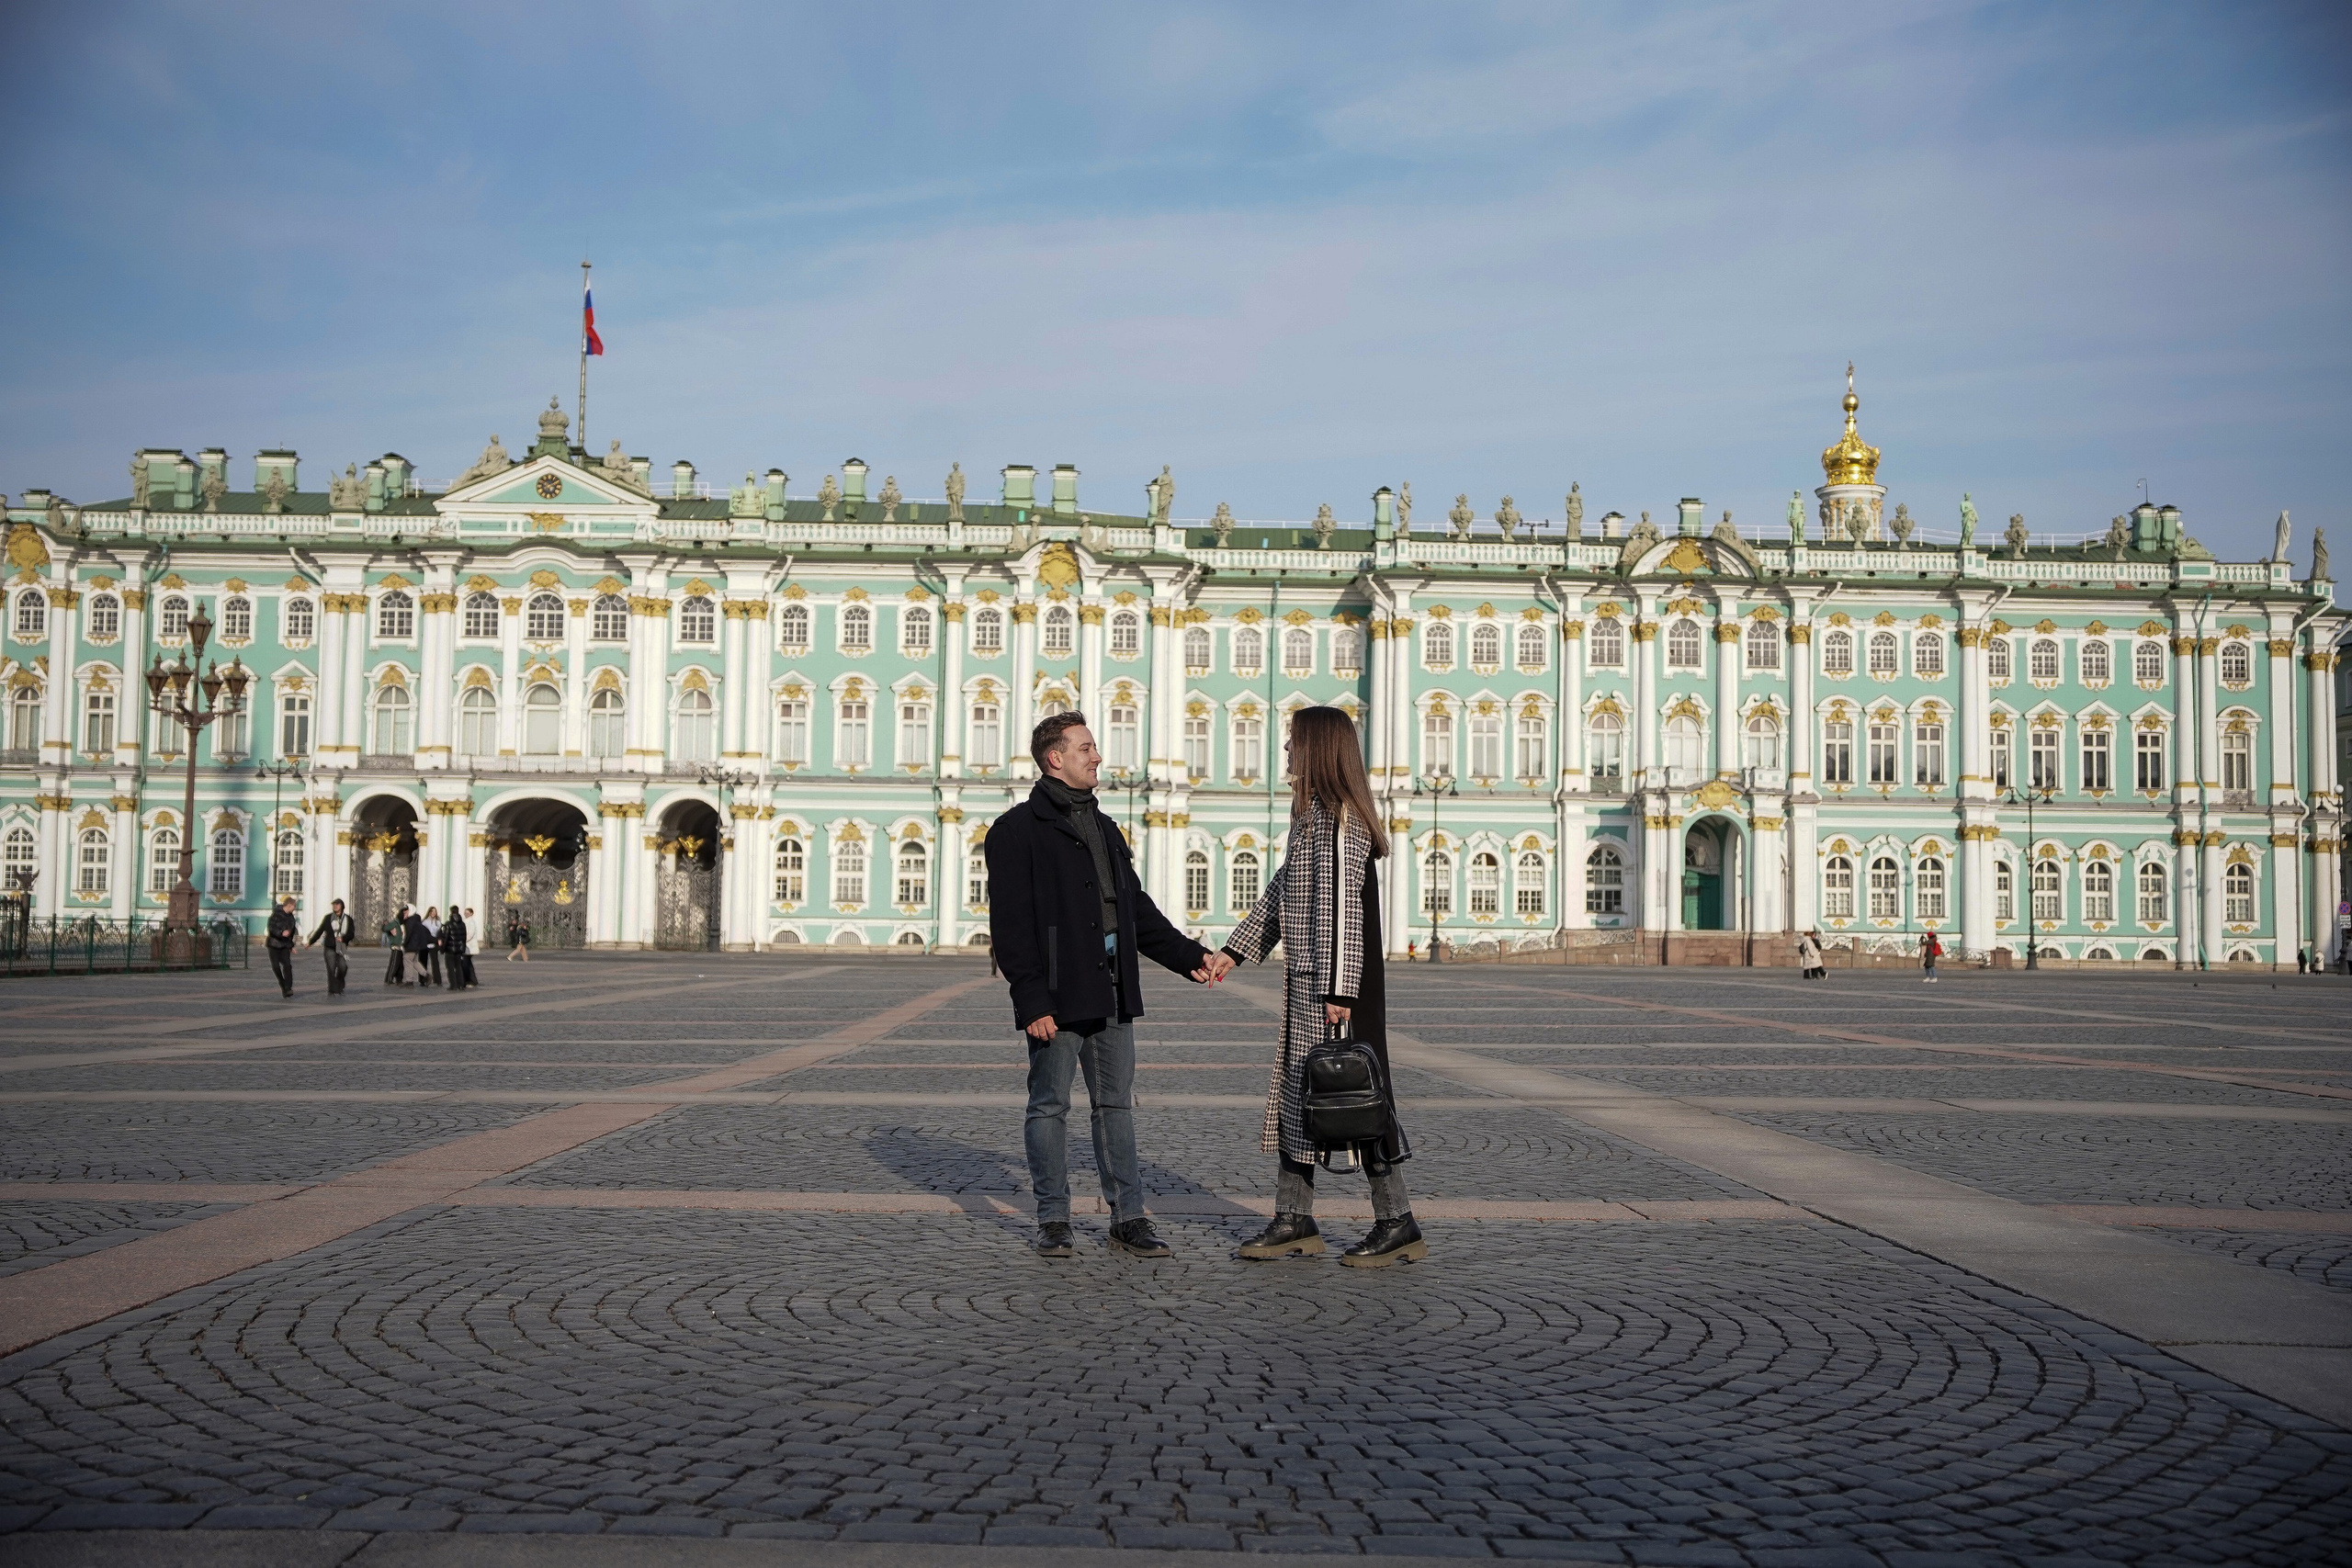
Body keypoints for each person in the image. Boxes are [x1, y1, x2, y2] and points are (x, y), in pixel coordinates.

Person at [987, 711, 1221, 1260]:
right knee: (1049, 1106)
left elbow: (1133, 908)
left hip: (1113, 983)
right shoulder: (1016, 830)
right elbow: (1012, 928)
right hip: (1058, 990)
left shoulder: (1107, 827)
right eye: (1086, 748)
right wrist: (1032, 1000)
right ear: (1055, 758)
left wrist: (1189, 956)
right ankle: (1053, 1219)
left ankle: (1129, 1217)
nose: (1097, 756)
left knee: (1114, 1105)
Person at [1213, 705, 1423, 1269]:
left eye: (1292, 744)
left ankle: (1396, 1220)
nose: (1285, 753)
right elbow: (1282, 895)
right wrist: (1233, 950)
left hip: (1334, 992)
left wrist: (1339, 992)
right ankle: (1294, 1216)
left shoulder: (1343, 824)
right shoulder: (1310, 820)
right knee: (1300, 1098)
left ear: (1318, 752)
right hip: (1308, 984)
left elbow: (1344, 912)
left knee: (1356, 1098)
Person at [307, 897, 357, 998]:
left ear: (342, 906)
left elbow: (351, 934)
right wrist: (310, 942)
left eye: (337, 904)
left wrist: (344, 938)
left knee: (343, 967)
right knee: (331, 969)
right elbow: (320, 930)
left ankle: (339, 985)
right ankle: (332, 990)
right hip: (329, 947)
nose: (335, 906)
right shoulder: (328, 918)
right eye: (334, 904)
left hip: (341, 948)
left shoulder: (348, 919)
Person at [264, 897, 300, 998]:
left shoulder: (291, 917)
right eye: (294, 907)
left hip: (284, 945)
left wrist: (291, 946)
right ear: (289, 905)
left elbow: (291, 932)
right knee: (276, 967)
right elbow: (271, 928)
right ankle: (283, 984)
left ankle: (288, 987)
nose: (294, 909)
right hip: (273, 944)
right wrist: (281, 933)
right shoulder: (275, 914)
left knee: (287, 966)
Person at [442, 906, 473, 990]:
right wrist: (462, 948)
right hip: (459, 949)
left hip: (450, 950)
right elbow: (464, 937)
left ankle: (453, 984)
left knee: (450, 968)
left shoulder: (448, 924)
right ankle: (460, 984)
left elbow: (445, 938)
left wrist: (442, 949)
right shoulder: (462, 924)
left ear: (451, 912)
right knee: (459, 967)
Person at [401, 905, 432, 987]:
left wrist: (405, 943)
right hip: (416, 945)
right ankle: (426, 975)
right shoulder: (416, 920)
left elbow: (409, 934)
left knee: (407, 961)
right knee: (414, 961)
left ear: (410, 910)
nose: (404, 912)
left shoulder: (410, 921)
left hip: (411, 945)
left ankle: (409, 981)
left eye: (406, 910)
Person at [421, 907, 445, 987]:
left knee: (435, 962)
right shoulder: (424, 922)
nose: (433, 913)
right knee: (423, 962)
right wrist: (436, 940)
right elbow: (425, 935)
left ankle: (438, 980)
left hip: (434, 945)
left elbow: (440, 934)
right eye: (432, 911)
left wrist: (440, 940)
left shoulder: (438, 923)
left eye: (435, 911)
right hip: (425, 944)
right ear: (429, 912)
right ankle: (423, 979)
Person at [383, 913, 405, 986]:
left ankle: (399, 979)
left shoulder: (402, 925)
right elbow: (385, 928)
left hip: (402, 947)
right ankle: (389, 978)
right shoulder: (395, 923)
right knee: (394, 964)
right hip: (396, 946)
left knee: (400, 965)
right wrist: (389, 931)